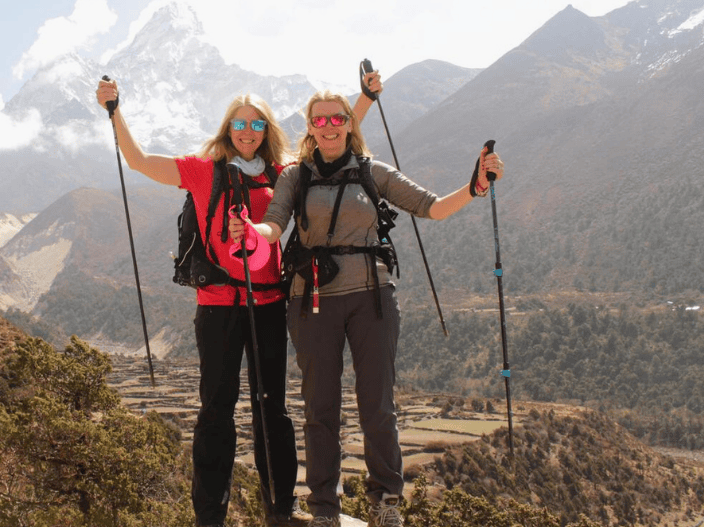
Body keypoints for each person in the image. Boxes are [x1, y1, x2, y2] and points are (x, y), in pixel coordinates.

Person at [95, 75, 377, 527]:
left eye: (257, 125)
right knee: (216, 412)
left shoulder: (283, 170)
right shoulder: (202, 170)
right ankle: (210, 517)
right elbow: (139, 161)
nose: (248, 132)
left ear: (267, 131)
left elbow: (332, 135)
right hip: (219, 307)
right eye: (240, 124)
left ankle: (281, 511)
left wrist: (364, 98)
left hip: (268, 305)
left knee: (273, 411)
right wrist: (114, 111)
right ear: (228, 128)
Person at [230, 84, 504, 527]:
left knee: (377, 403)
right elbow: (273, 224)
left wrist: (476, 186)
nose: (329, 126)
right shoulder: (295, 177)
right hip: (311, 299)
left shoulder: (373, 171)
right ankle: (324, 509)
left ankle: (385, 502)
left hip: (373, 298)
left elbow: (430, 208)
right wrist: (251, 230)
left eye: (337, 118)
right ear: (310, 129)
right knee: (320, 407)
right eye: (319, 120)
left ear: (349, 124)